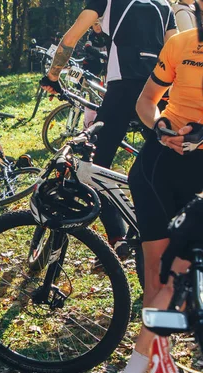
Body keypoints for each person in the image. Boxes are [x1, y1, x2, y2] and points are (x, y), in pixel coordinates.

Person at [110, 7, 203, 373]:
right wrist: (160, 126)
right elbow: (147, 100)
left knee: (182, 276)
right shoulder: (179, 43)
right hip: (159, 169)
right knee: (158, 279)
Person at [40, 0, 176, 259]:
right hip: (160, 94)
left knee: (95, 164)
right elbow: (177, 51)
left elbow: (71, 38)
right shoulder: (164, 6)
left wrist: (53, 76)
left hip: (124, 89)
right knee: (163, 166)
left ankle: (118, 237)